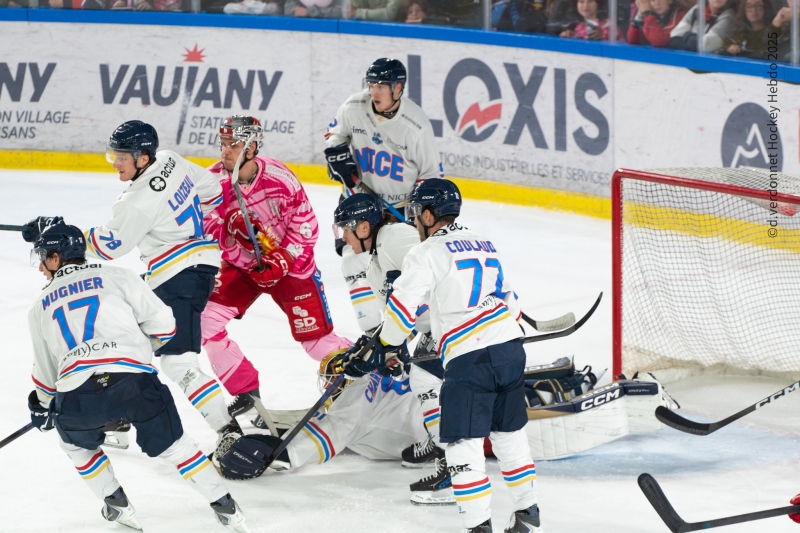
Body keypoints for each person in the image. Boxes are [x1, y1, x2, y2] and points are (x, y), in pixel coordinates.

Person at [34, 120, 240, 460]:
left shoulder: (137, 201)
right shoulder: (171, 159)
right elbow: (213, 192)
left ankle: (228, 430)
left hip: (177, 275)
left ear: (143, 158)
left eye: (122, 157)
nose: (115, 163)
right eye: (113, 155)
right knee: (127, 340)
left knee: (178, 364)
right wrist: (174, 223)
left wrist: (60, 234)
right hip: (194, 267)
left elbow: (106, 248)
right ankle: (115, 416)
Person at [26, 223, 249, 532]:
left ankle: (115, 502)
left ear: (55, 258)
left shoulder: (39, 306)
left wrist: (42, 405)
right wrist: (137, 350)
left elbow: (47, 377)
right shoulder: (118, 276)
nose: (39, 266)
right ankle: (227, 508)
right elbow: (165, 326)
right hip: (134, 383)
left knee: (76, 446)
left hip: (78, 395)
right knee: (179, 448)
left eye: (42, 258)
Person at [357, 179, 541, 533]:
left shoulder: (425, 253)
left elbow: (400, 311)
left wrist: (385, 345)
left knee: (462, 447)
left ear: (428, 215)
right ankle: (529, 518)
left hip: (470, 359)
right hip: (510, 349)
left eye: (415, 215)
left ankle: (477, 527)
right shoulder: (484, 242)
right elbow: (511, 303)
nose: (413, 222)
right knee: (510, 437)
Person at [201, 115, 351, 420]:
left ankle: (361, 380)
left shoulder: (280, 179)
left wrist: (283, 258)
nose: (225, 151)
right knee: (206, 323)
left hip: (292, 269)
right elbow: (204, 228)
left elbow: (306, 224)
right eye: (223, 144)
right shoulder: (211, 184)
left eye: (235, 144)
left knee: (317, 343)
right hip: (243, 270)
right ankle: (245, 391)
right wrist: (229, 232)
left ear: (253, 147)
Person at [332, 193, 453, 505]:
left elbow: (439, 264)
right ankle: (441, 443)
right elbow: (396, 313)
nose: (343, 236)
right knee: (420, 377)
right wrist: (374, 347)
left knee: (427, 378)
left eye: (347, 228)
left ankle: (452, 465)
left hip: (455, 319)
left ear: (364, 226)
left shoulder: (394, 236)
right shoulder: (374, 261)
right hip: (435, 324)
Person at [324, 58, 443, 356]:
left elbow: (430, 176)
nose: (374, 92)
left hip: (400, 209)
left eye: (382, 86)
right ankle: (373, 336)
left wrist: (418, 212)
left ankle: (427, 330)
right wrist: (337, 155)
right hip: (358, 204)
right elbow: (334, 139)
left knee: (402, 270)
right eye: (372, 85)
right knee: (353, 263)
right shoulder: (353, 108)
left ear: (398, 88)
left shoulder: (416, 126)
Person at [216, 355, 429, 480]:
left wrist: (249, 454)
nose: (327, 386)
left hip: (433, 433)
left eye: (330, 380)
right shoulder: (376, 373)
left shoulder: (350, 409)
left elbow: (287, 456)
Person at [669, 0, 736, 52]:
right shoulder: (697, 9)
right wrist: (691, 41)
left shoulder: (729, 16)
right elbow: (675, 37)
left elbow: (705, 45)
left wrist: (687, 36)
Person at [559, 0, 624, 39]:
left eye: (590, 1)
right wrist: (571, 35)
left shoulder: (609, 24)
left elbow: (620, 47)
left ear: (597, 3)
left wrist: (603, 37)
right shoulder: (579, 27)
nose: (585, 5)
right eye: (581, 1)